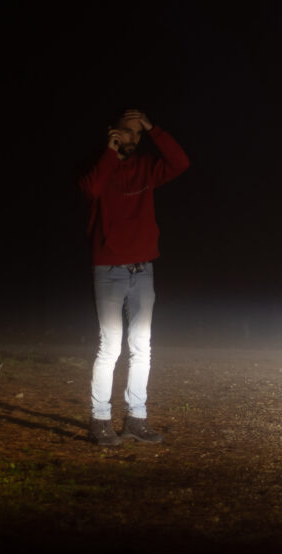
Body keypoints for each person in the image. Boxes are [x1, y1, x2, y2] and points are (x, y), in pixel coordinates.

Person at [77, 109, 190, 446]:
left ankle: (135, 419)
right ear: (112, 132)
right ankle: (100, 420)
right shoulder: (100, 165)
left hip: (142, 268)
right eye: (125, 131)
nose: (131, 138)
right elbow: (91, 189)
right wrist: (109, 153)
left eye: (136, 134)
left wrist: (154, 129)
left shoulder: (147, 168)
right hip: (108, 268)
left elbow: (181, 162)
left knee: (142, 347)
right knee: (109, 345)